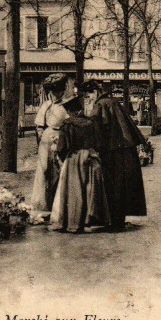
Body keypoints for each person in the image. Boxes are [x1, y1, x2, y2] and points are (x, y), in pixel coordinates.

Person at [83, 80, 147, 231]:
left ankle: (113, 221)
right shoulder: (113, 102)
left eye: (88, 95)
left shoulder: (100, 105)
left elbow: (97, 128)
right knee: (123, 185)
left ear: (95, 92)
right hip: (125, 148)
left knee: (112, 185)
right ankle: (119, 220)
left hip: (112, 151)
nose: (89, 99)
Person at [49, 94, 110, 233]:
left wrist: (62, 158)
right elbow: (99, 143)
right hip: (90, 157)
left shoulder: (67, 125)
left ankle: (74, 221)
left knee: (74, 190)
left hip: (74, 159)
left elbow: (62, 148)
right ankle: (90, 220)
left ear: (70, 111)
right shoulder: (91, 123)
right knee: (90, 189)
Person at [30, 74, 69, 216]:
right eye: (54, 91)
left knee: (60, 170)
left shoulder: (68, 104)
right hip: (47, 140)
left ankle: (59, 205)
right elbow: (39, 126)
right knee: (45, 170)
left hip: (63, 137)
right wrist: (42, 137)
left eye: (59, 90)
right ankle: (44, 203)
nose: (56, 94)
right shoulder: (46, 105)